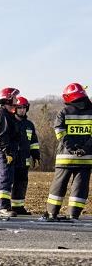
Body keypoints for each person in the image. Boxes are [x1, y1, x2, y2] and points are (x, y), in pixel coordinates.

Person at [43, 83, 92, 221]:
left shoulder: (63, 112)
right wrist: (84, 149)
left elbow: (60, 133)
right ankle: (74, 215)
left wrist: (72, 148)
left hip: (66, 157)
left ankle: (52, 213)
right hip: (86, 158)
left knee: (58, 186)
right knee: (80, 188)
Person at [0, 87, 20, 217]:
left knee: (0, 177)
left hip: (2, 149)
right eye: (15, 97)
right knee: (5, 177)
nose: (16, 100)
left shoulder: (6, 114)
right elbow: (2, 135)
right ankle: (3, 208)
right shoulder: (2, 114)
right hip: (3, 149)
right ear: (8, 98)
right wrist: (8, 152)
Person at [10, 96, 39, 215]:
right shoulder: (10, 122)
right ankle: (5, 207)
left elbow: (33, 141)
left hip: (24, 160)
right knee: (8, 183)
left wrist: (36, 154)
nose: (22, 110)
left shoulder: (29, 124)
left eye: (24, 108)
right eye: (19, 107)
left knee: (21, 183)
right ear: (14, 109)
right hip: (11, 159)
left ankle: (18, 207)